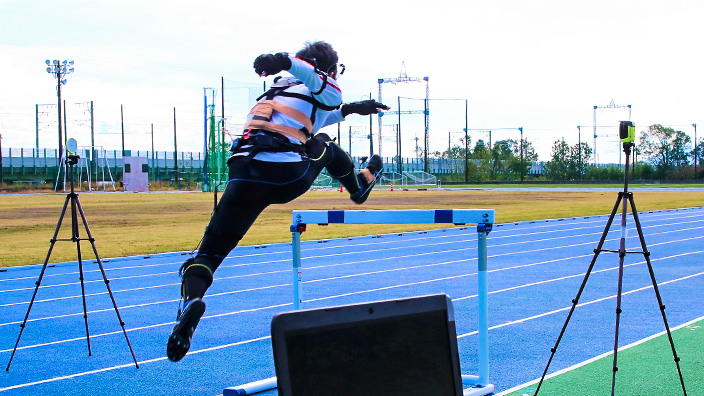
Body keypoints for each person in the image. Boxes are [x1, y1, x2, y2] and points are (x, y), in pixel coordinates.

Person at [167, 41, 390, 362]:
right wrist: (284, 60)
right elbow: (317, 89)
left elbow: (313, 114)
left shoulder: (275, 93)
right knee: (323, 144)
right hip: (283, 174)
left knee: (208, 254)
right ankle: (360, 187)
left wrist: (352, 109)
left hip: (243, 174)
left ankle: (191, 302)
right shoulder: (318, 81)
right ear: (327, 71)